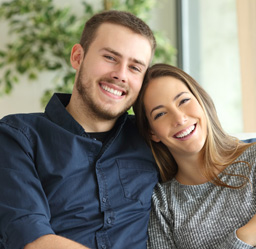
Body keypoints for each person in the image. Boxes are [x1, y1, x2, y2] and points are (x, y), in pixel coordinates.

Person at [0, 10, 159, 249]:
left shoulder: (152, 137)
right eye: (110, 57)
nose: (120, 75)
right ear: (77, 56)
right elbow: (32, 239)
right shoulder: (17, 136)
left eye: (135, 68)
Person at [133, 63, 256, 248]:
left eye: (183, 101)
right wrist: (244, 237)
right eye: (161, 113)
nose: (179, 118)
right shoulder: (161, 202)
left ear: (201, 101)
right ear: (152, 132)